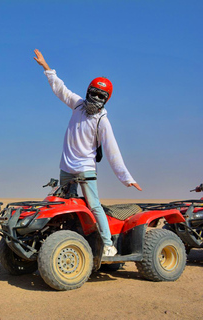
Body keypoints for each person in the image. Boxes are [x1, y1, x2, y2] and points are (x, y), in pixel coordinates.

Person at [33, 49, 142, 257]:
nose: (96, 98)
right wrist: (46, 67)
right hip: (66, 168)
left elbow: (112, 151)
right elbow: (60, 89)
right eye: (93, 93)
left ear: (106, 99)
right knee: (63, 207)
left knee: (94, 206)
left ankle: (108, 244)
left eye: (101, 95)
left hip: (85, 170)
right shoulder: (77, 105)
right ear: (88, 91)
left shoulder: (102, 121)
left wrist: (126, 178)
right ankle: (65, 243)